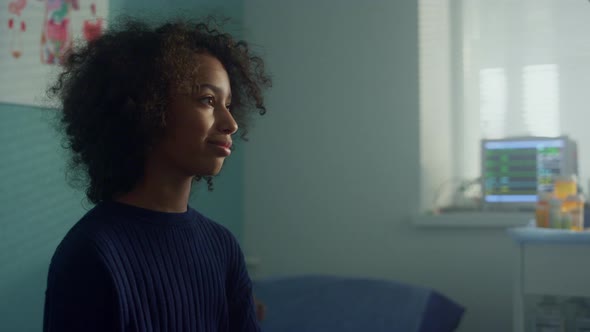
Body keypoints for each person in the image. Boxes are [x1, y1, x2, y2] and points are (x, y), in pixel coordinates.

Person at [43, 16, 271, 332]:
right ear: (148, 108)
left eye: (229, 104)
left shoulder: (222, 248)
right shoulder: (91, 254)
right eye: (208, 100)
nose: (230, 123)